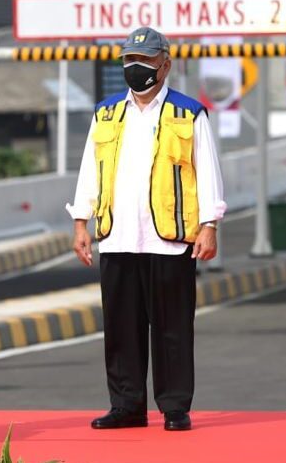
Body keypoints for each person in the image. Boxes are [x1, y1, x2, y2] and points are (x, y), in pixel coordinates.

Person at [68, 26, 225, 432]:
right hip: (118, 236)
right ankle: (126, 405)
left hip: (169, 238)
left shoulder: (188, 113)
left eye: (144, 61)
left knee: (172, 328)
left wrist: (209, 224)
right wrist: (80, 221)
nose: (135, 68)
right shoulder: (106, 114)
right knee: (121, 327)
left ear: (165, 64)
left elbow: (206, 171)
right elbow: (90, 170)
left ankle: (175, 407)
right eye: (129, 61)